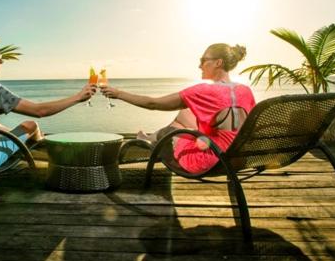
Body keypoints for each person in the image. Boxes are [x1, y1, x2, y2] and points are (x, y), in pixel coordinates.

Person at [0, 35, 96, 172]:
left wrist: (13, 135)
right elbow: (39, 111)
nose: (0, 61)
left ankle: (29, 145)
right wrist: (78, 97)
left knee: (2, 126)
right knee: (31, 125)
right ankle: (41, 153)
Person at [101, 43, 255, 174]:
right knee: (186, 112)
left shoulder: (203, 91)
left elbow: (153, 104)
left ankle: (150, 140)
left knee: (172, 130)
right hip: (238, 159)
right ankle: (150, 138)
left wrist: (119, 94)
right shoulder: (244, 91)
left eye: (203, 60)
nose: (199, 65)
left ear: (218, 63)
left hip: (211, 162)